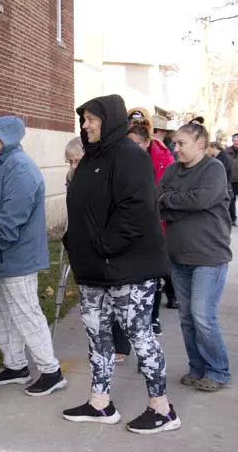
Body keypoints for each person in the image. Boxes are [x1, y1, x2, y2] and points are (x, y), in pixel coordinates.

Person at [63, 94, 180, 434]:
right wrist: (77, 243)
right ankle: (100, 403)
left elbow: (136, 211)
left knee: (140, 336)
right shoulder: (90, 159)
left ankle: (162, 409)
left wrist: (104, 246)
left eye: (90, 119)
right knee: (97, 335)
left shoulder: (130, 156)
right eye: (83, 119)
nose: (85, 125)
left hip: (129, 266)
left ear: (108, 119)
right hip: (93, 269)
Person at [0, 116, 67, 397]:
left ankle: (51, 371)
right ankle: (15, 366)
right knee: (1, 312)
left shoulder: (20, 168)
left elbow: (12, 216)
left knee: (25, 313)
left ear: (3, 138)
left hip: (15, 257)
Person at [158, 117, 232, 392]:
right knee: (187, 317)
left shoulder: (214, 169)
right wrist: (179, 202)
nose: (175, 148)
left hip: (209, 257)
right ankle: (197, 368)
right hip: (178, 257)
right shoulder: (173, 171)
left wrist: (173, 201)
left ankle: (218, 371)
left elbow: (201, 200)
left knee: (203, 316)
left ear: (200, 144)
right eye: (175, 143)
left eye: (181, 143)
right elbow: (158, 199)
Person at [66, 136, 132, 363]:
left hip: (107, 245)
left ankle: (120, 345)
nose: (74, 166)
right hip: (83, 245)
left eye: (77, 160)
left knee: (114, 299)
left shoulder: (104, 175)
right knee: (94, 306)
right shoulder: (72, 178)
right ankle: (100, 348)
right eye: (70, 162)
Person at [127, 118, 179, 330]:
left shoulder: (163, 159)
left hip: (157, 223)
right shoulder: (125, 160)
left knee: (155, 274)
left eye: (136, 144)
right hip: (131, 223)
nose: (131, 149)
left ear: (146, 142)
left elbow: (166, 190)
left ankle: (153, 316)